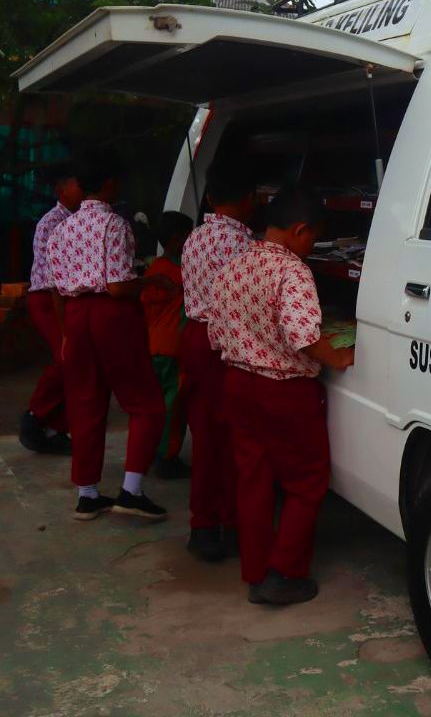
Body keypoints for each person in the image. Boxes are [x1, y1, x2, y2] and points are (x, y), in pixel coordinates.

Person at [208, 187, 354, 604]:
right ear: (299, 230)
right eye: (312, 239)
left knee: (252, 479)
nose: (311, 248)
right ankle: (284, 574)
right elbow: (304, 335)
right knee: (306, 482)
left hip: (238, 382)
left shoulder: (233, 266)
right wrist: (338, 356)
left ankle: (255, 571)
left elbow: (216, 335)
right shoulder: (293, 271)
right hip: (284, 391)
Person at [45, 147, 172, 522]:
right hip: (111, 315)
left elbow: (54, 287)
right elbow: (117, 287)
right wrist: (153, 280)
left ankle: (87, 494)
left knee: (84, 402)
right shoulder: (115, 224)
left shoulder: (61, 228)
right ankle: (131, 491)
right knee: (145, 402)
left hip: (76, 314)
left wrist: (67, 332)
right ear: (111, 183)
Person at [179, 161, 256, 562]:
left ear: (209, 198)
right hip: (226, 344)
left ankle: (203, 525)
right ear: (251, 200)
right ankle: (231, 523)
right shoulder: (244, 246)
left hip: (194, 336)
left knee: (206, 435)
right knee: (235, 439)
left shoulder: (194, 238)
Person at [20, 161, 83, 454]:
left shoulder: (80, 219)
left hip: (66, 298)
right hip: (47, 297)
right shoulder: (51, 222)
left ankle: (57, 426)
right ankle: (35, 416)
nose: (81, 190)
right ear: (62, 190)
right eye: (76, 184)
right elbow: (52, 278)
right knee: (66, 358)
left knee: (76, 363)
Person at [141, 211, 194, 480]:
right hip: (173, 347)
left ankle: (152, 450)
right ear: (176, 239)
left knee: (156, 403)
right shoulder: (181, 273)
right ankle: (167, 456)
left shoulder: (154, 270)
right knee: (173, 407)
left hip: (153, 346)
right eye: (188, 236)